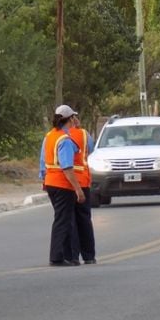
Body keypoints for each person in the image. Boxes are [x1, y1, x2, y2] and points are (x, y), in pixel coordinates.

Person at [39, 105, 85, 266]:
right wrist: (78, 189)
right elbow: (67, 167)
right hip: (62, 185)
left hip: (51, 182)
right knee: (63, 221)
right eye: (73, 117)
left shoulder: (50, 136)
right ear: (70, 119)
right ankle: (57, 257)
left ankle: (66, 255)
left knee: (62, 219)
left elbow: (43, 161)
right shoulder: (64, 141)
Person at [69, 112, 97, 264]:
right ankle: (89, 256)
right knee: (84, 219)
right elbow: (90, 150)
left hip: (66, 183)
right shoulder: (84, 134)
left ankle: (73, 256)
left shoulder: (53, 136)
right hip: (83, 181)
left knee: (70, 220)